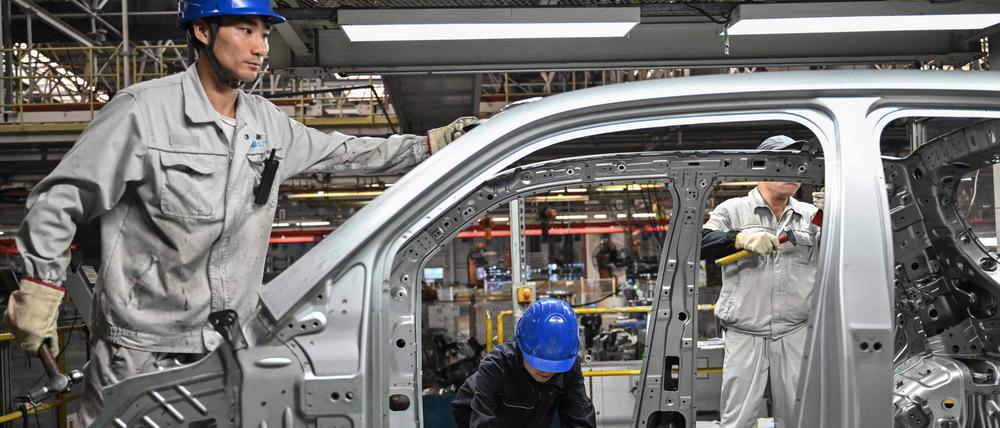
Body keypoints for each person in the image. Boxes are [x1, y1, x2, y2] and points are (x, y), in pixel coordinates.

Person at [2, 1, 476, 424]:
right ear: (203, 32)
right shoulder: (142, 113)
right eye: (246, 30)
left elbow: (349, 151)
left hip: (227, 350)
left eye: (265, 34)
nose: (261, 47)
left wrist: (435, 144)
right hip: (140, 351)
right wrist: (41, 286)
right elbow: (58, 199)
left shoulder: (265, 124)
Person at [700, 136, 823, 428]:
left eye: (798, 166)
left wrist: (838, 214)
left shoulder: (810, 216)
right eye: (784, 164)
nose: (793, 174)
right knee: (738, 419)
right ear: (762, 168)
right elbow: (698, 242)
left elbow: (846, 252)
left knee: (799, 417)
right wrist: (738, 238)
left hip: (796, 332)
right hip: (745, 332)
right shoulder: (733, 210)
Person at [452, 298, 596, 428]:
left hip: (530, 413)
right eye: (539, 362)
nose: (547, 371)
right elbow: (482, 422)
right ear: (521, 347)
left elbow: (580, 416)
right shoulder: (495, 365)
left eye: (555, 365)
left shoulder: (568, 364)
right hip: (473, 411)